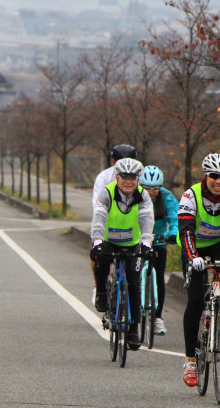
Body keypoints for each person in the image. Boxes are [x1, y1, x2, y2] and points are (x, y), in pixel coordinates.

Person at [178, 153, 220, 387]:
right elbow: (186, 229)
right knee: (196, 299)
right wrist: (192, 257)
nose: (218, 181)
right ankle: (189, 361)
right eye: (214, 176)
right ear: (206, 176)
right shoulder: (190, 195)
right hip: (193, 245)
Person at [90, 157, 154, 351]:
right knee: (101, 260)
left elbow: (146, 220)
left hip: (133, 243)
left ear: (138, 179)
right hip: (109, 241)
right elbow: (99, 217)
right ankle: (102, 291)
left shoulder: (143, 196)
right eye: (124, 176)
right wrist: (97, 241)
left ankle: (133, 330)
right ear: (116, 177)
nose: (128, 181)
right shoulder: (106, 193)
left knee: (134, 283)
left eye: (133, 177)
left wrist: (146, 243)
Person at [90, 144, 137, 305]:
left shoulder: (139, 177)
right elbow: (97, 206)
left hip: (130, 226)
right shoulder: (103, 178)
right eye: (119, 162)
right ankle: (99, 285)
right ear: (112, 162)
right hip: (109, 223)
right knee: (98, 253)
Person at [139, 165, 179, 335]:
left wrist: (173, 234)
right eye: (147, 188)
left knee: (159, 278)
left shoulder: (167, 197)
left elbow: (175, 218)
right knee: (134, 274)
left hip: (159, 240)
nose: (151, 192)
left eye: (155, 188)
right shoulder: (135, 196)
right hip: (139, 239)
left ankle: (157, 317)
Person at [92, 144, 137, 210]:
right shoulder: (103, 178)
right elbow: (97, 204)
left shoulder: (141, 177)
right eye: (121, 163)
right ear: (113, 162)